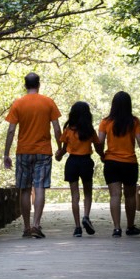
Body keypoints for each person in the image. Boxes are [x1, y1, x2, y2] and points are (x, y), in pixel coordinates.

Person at [3, 72, 61, 238]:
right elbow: (57, 128)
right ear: (39, 84)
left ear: (25, 85)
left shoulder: (18, 104)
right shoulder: (48, 102)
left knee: (25, 189)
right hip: (43, 151)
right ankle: (36, 224)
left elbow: (11, 130)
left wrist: (6, 154)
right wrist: (60, 148)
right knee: (40, 186)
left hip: (23, 151)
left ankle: (27, 227)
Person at [95, 91, 140, 237]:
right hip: (129, 163)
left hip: (111, 163)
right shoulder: (134, 122)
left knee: (115, 195)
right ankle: (130, 226)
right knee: (130, 196)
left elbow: (99, 142)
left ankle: (116, 228)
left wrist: (102, 155)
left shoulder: (105, 122)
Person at [54, 101, 99, 237]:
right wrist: (103, 155)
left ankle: (78, 227)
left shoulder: (68, 130)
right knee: (88, 193)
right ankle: (86, 216)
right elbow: (98, 146)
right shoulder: (90, 131)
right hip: (86, 161)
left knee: (75, 195)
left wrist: (58, 156)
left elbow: (63, 150)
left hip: (72, 162)